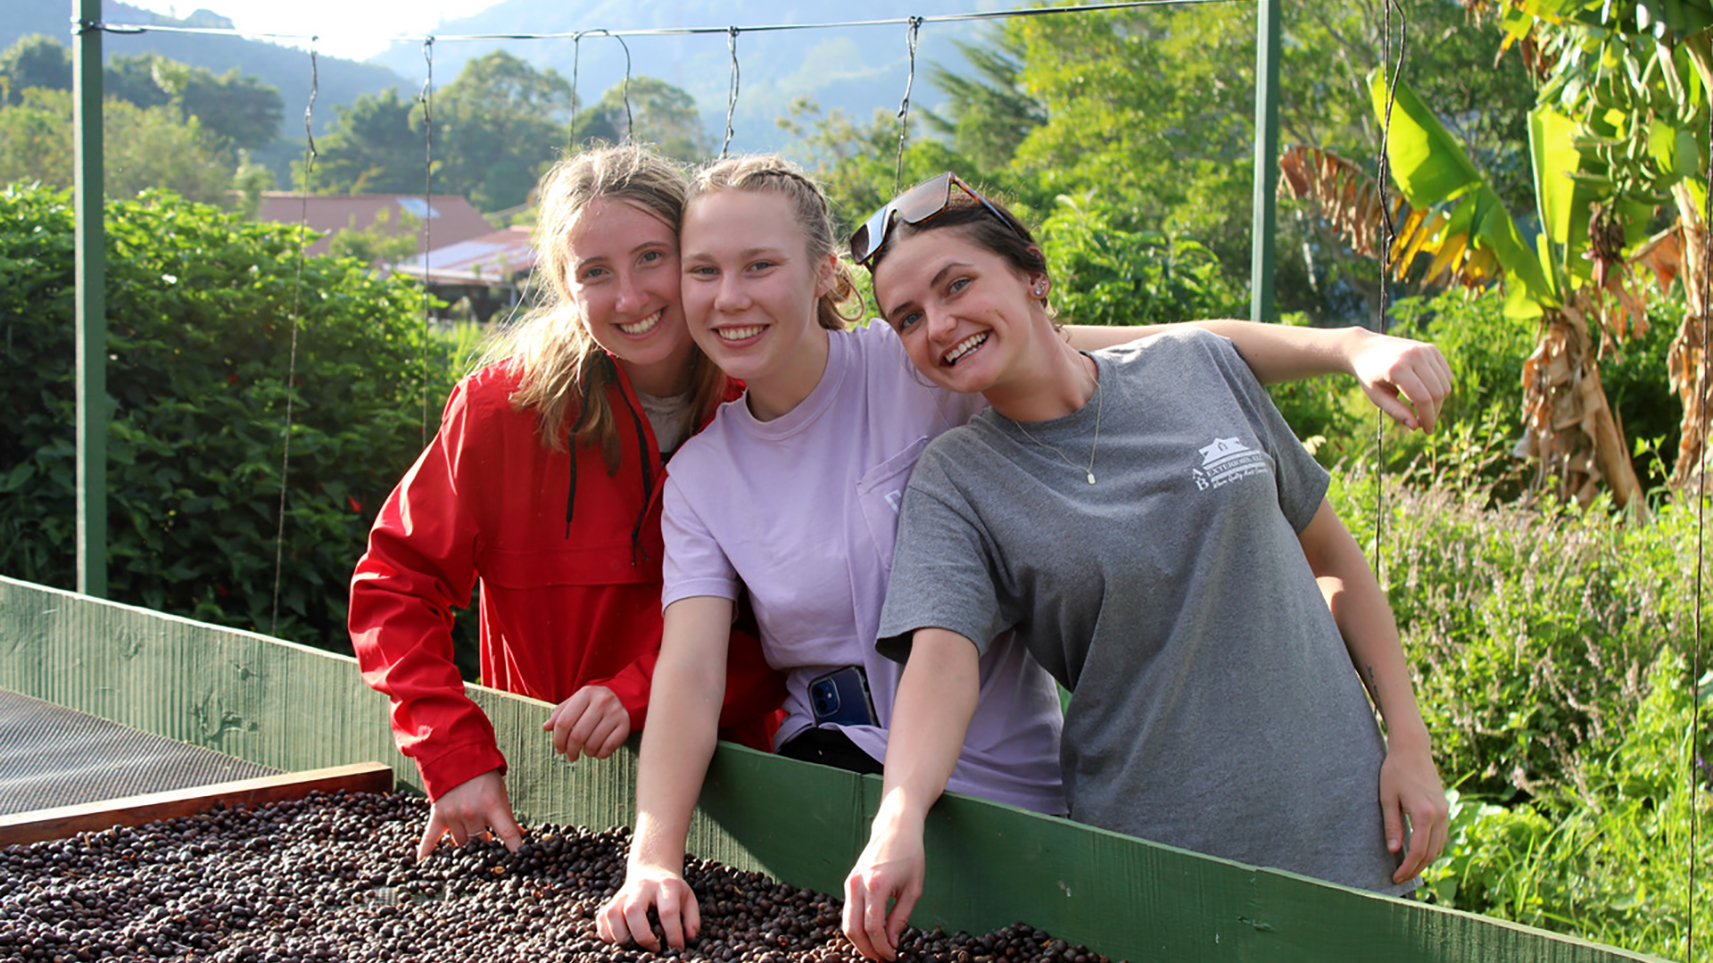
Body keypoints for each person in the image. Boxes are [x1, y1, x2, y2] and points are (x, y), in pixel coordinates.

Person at [594, 156, 1452, 953]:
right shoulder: (759, 471)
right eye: (703, 270)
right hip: (886, 798)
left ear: (822, 275)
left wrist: (1349, 346)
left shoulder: (924, 368)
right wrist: (656, 853)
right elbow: (711, 670)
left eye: (759, 265)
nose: (729, 296)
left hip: (1061, 795)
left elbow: (1169, 349)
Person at [839, 173, 1450, 961]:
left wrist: (1408, 739)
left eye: (956, 284)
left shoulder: (1198, 368)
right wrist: (898, 816)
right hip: (1154, 868)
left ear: (1032, 274)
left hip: (1346, 829)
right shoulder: (958, 479)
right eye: (908, 318)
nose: (939, 324)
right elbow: (940, 664)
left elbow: (1331, 559)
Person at [348, 144, 785, 864]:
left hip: (743, 799)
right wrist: (452, 747)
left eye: (653, 257)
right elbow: (395, 585)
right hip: (550, 801)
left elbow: (802, 619)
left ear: (696, 255)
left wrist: (636, 692)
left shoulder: (767, 400)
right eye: (595, 272)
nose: (631, 297)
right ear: (562, 283)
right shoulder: (503, 410)